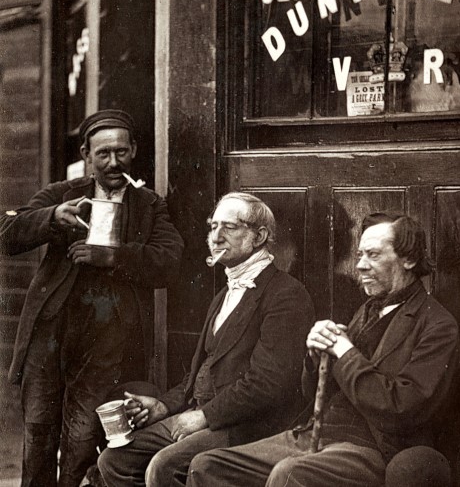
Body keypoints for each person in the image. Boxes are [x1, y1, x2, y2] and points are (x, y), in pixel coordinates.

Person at [187, 212, 460, 487]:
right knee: (207, 466)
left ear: (409, 260)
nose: (360, 266)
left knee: (288, 473)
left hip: (374, 448)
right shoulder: (368, 310)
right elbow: (315, 392)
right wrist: (316, 356)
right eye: (360, 255)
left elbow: (402, 409)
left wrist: (343, 351)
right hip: (317, 434)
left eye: (373, 255)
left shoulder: (438, 325)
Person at [0, 109, 184, 487]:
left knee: (82, 440)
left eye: (121, 151)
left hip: (106, 343)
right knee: (38, 434)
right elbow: (6, 233)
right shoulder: (63, 194)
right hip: (50, 336)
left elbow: (169, 262)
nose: (113, 162)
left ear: (134, 150)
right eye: (103, 153)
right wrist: (53, 216)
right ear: (86, 154)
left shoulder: (149, 205)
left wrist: (114, 256)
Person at [97, 192, 315, 487]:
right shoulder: (223, 295)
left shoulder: (286, 294)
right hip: (202, 414)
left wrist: (205, 416)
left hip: (248, 425)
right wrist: (163, 406)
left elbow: (268, 384)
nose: (216, 236)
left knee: (164, 466)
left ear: (260, 236)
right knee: (115, 460)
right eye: (213, 226)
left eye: (230, 227)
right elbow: (201, 372)